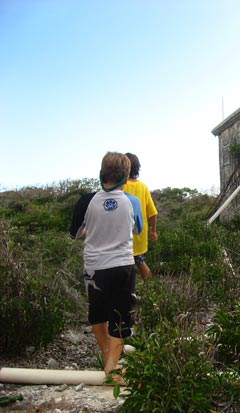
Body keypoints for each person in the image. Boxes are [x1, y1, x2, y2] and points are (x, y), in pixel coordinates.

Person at [69, 152, 143, 383]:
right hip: (122, 265)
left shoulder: (86, 200)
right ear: (126, 175)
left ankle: (108, 360)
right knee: (121, 317)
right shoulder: (132, 201)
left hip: (94, 267)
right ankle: (112, 367)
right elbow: (138, 229)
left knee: (98, 313)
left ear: (102, 173)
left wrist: (92, 227)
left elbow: (75, 233)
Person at [124, 152, 158, 280]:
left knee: (129, 263)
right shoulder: (143, 186)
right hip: (140, 233)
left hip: (124, 233)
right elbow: (153, 213)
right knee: (139, 261)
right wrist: (153, 231)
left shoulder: (120, 186)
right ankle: (151, 288)